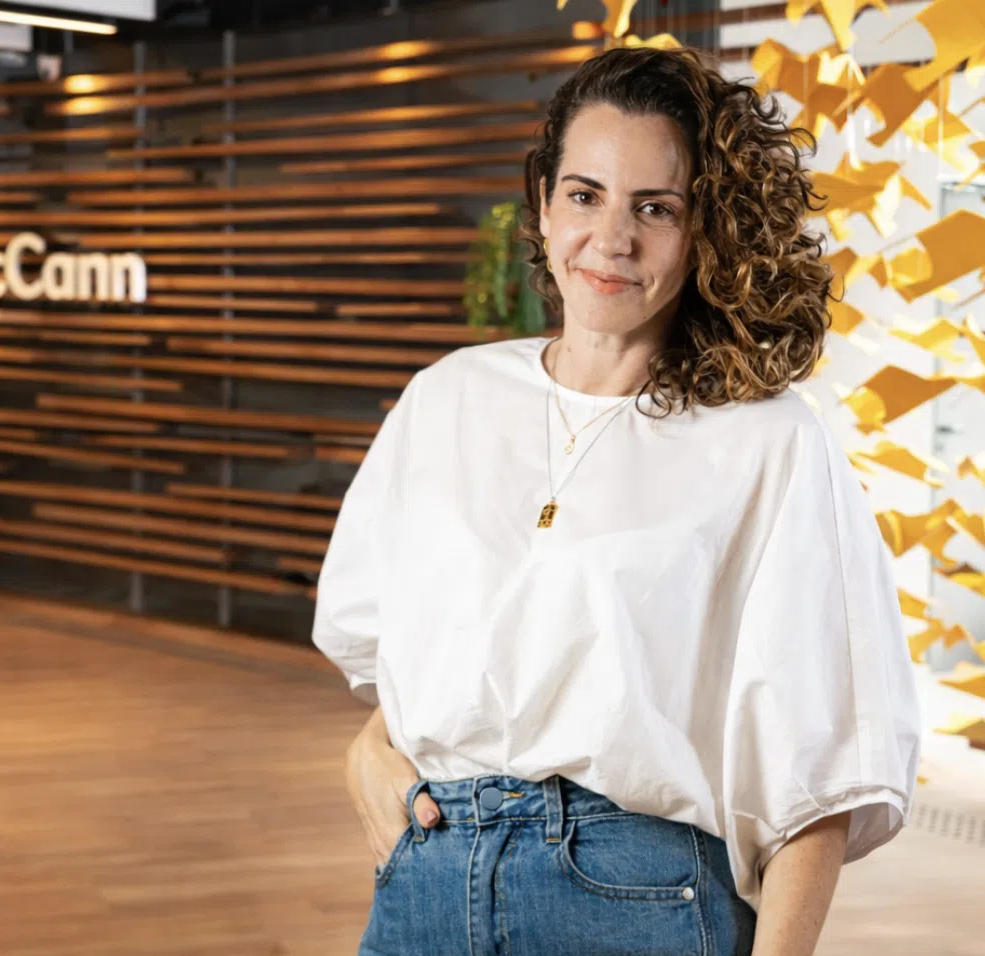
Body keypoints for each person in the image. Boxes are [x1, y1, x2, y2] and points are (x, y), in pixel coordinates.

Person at [311, 45, 920, 956]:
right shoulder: (448, 398)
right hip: (430, 878)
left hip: (638, 897)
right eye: (585, 195)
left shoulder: (769, 442)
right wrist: (370, 747)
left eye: (655, 208)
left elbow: (821, 765)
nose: (612, 239)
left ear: (705, 231)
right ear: (544, 204)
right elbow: (428, 647)